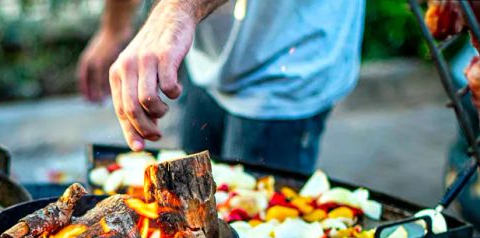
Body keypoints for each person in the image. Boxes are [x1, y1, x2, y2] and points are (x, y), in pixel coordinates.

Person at [78, 0, 365, 174]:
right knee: (192, 203)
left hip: (286, 56)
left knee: (255, 235)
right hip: (203, 48)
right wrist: (114, 27)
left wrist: (175, 11)